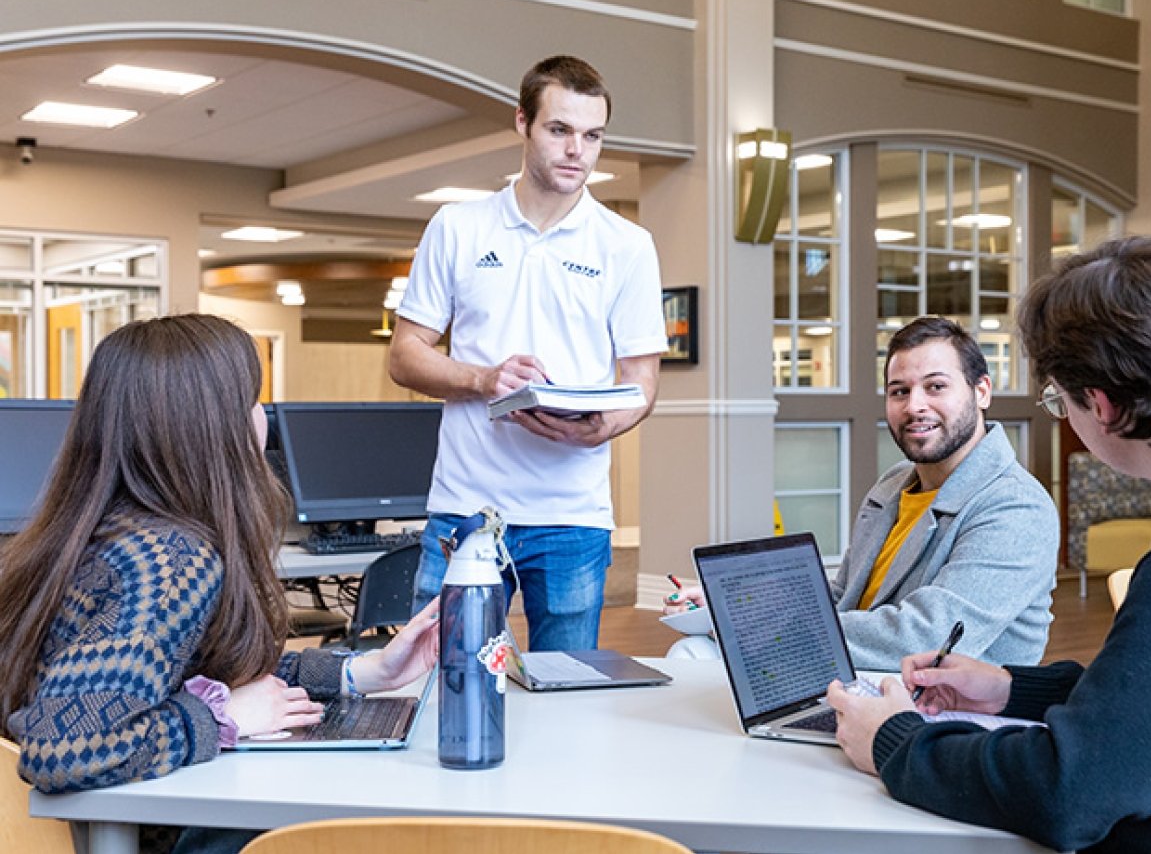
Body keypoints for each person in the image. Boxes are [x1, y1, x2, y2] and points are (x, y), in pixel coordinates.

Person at [828, 236, 1151, 854]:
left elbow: (1069, 793)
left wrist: (895, 740)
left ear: (1100, 406)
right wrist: (1014, 688)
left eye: (1058, 401)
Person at [0, 315, 440, 853]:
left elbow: (198, 671)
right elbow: (65, 748)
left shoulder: (107, 530)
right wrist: (221, 716)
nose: (263, 418)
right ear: (213, 426)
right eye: (253, 400)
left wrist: (364, 672)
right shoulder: (167, 559)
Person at [390, 54, 666, 651]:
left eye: (592, 136)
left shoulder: (628, 245)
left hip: (573, 516)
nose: (577, 151)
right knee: (435, 677)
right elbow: (405, 355)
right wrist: (484, 378)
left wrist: (601, 427)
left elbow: (642, 380)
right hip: (465, 508)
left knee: (566, 686)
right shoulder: (458, 226)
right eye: (559, 130)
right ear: (523, 122)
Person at [666, 316, 1057, 670]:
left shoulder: (1016, 508)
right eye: (899, 391)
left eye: (936, 387)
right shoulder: (894, 484)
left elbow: (926, 638)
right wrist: (735, 605)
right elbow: (842, 596)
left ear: (982, 391)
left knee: (702, 664)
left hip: (932, 703)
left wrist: (755, 626)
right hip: (857, 678)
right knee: (694, 652)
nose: (914, 406)